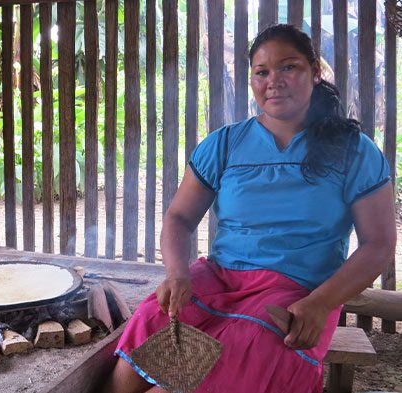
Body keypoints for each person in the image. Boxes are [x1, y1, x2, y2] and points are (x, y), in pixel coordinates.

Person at [103, 24, 396, 393]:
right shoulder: (225, 144)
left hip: (299, 295)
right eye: (262, 72)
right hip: (221, 279)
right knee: (151, 323)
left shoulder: (353, 149)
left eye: (289, 67)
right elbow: (179, 217)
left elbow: (379, 243)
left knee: (246, 349)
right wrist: (178, 273)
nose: (274, 80)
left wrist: (321, 304)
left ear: (314, 72)